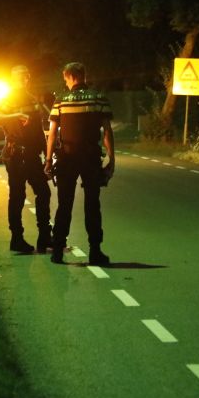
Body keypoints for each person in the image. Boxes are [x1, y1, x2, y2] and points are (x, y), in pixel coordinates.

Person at [44, 62, 114, 265]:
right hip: (91, 157)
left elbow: (52, 134)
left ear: (69, 76)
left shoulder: (60, 100)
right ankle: (95, 251)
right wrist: (111, 158)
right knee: (93, 204)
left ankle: (57, 250)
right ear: (84, 75)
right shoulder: (98, 97)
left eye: (65, 78)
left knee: (64, 204)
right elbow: (107, 131)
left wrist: (48, 160)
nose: (64, 82)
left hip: (67, 157)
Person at [0, 65, 52, 253]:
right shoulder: (9, 98)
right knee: (18, 196)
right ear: (14, 79)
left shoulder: (33, 99)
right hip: (16, 154)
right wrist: (16, 114)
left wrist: (47, 155)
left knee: (43, 192)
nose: (23, 80)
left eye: (25, 77)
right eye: (20, 77)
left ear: (28, 78)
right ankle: (17, 239)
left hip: (32, 155)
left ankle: (44, 237)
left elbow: (38, 130)